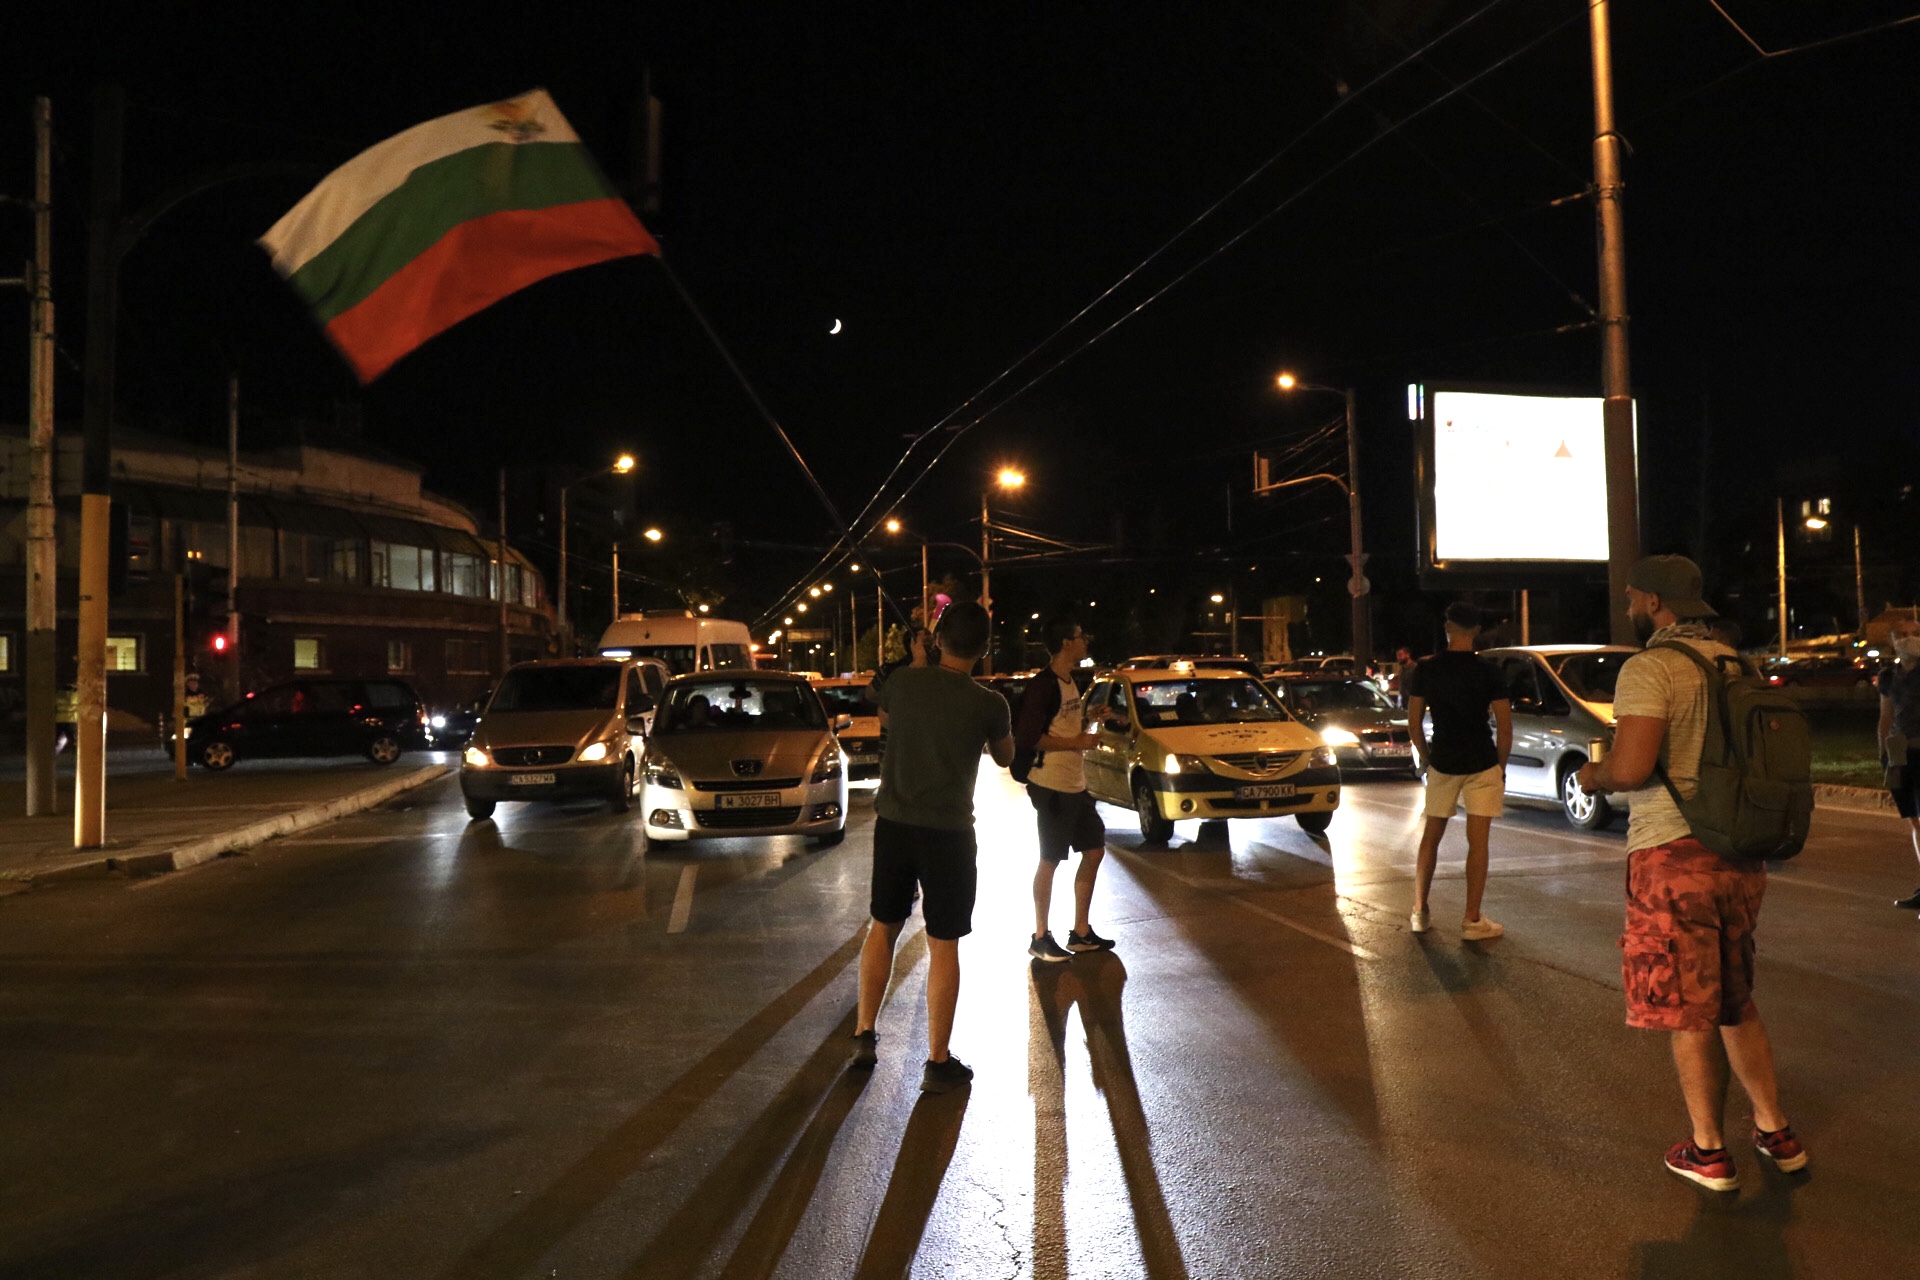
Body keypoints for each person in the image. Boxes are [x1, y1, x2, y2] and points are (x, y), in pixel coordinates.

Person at [1577, 555, 1808, 1191]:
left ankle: (1708, 1151)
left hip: (1675, 859)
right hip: (1741, 853)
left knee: (1687, 1007)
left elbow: (1630, 769)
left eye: (1633, 597)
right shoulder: (1739, 662)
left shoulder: (1650, 668)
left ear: (1655, 602)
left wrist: (1592, 774)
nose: (1628, 606)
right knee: (1734, 997)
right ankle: (1774, 1130)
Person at [851, 602, 1014, 1093]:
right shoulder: (989, 703)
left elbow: (877, 698)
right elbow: (1006, 758)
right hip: (950, 836)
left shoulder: (905, 683)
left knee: (883, 927)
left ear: (937, 640)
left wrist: (915, 660)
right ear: (984, 648)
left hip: (895, 825)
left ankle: (864, 1034)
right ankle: (937, 1061)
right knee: (944, 944)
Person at [1406, 601, 1510, 940]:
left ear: (1447, 628)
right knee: (1478, 843)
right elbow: (1506, 728)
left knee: (1431, 837)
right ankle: (1471, 920)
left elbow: (1413, 723)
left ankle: (1420, 911)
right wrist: (1501, 767)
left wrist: (1425, 757)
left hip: (1444, 761)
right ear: (1476, 631)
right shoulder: (1489, 671)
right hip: (1482, 761)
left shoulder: (1427, 669)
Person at [1017, 618, 1120, 962]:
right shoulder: (1043, 686)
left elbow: (1064, 726)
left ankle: (1080, 932)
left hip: (1075, 786)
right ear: (1065, 643)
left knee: (1094, 850)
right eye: (1079, 636)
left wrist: (1090, 718)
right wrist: (1078, 739)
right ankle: (1040, 936)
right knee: (1050, 859)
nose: (1085, 640)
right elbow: (1031, 738)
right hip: (1052, 787)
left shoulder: (1070, 682)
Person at [1876, 613, 1920, 913]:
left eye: (1915, 632)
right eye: (1903, 634)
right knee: (1915, 821)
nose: (1910, 639)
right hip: (1900, 756)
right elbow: (1885, 717)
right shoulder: (1888, 676)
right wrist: (1884, 757)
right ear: (1892, 641)